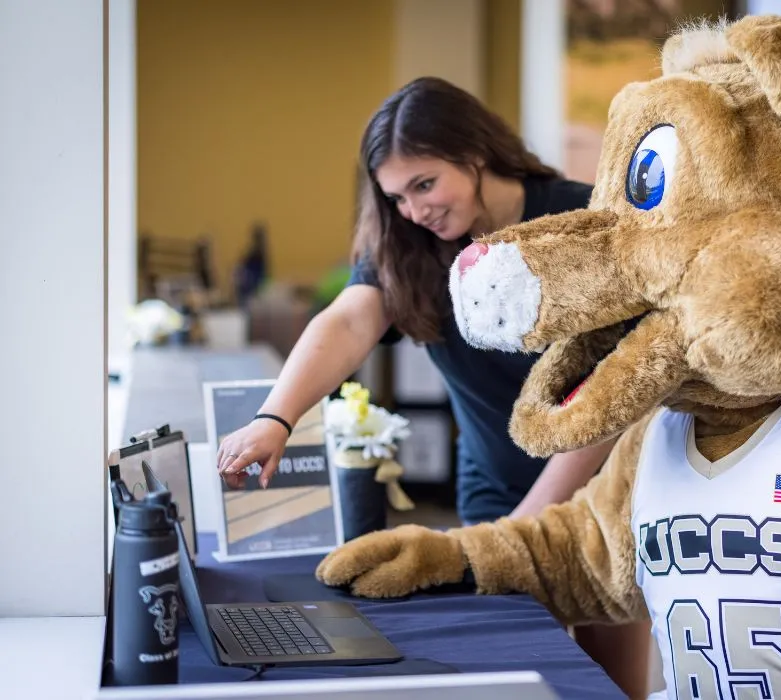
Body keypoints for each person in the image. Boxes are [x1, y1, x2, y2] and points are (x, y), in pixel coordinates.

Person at [213, 77, 648, 697]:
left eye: (425, 184)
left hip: (603, 488)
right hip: (493, 488)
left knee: (609, 682)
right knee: (518, 673)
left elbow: (614, 387)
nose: (415, 210)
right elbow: (348, 319)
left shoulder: (578, 218)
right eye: (395, 197)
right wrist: (274, 419)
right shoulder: (408, 245)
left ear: (473, 154)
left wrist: (527, 530)